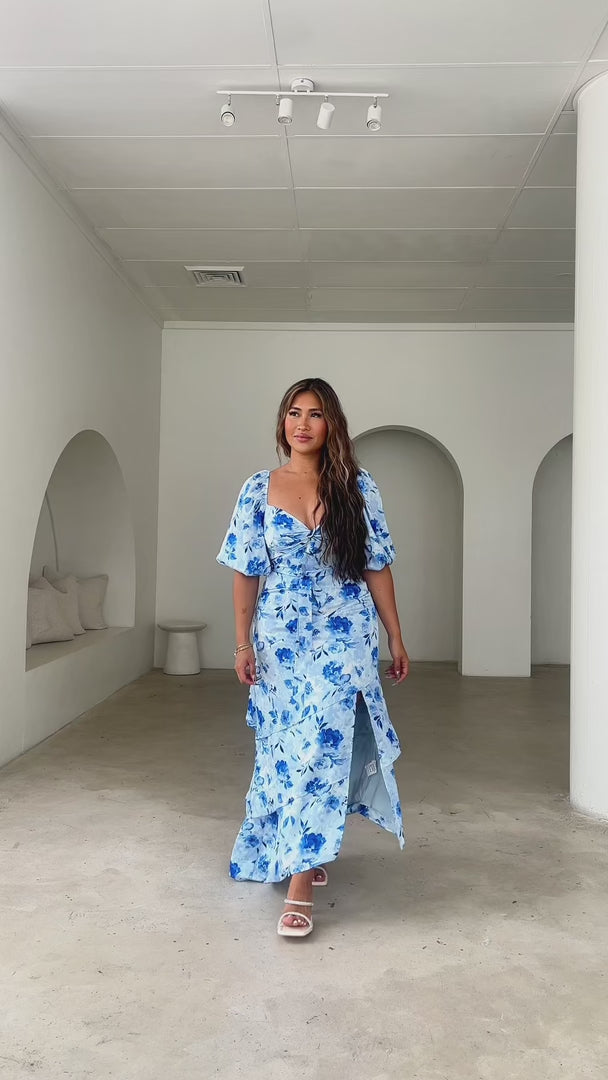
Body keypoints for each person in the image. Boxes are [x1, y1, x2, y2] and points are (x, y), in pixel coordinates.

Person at [216, 377, 409, 939]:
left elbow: (376, 564)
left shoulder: (356, 486)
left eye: (316, 414)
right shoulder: (258, 489)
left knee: (321, 746)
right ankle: (304, 844)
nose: (303, 424)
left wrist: (396, 636)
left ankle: (300, 882)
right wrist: (242, 643)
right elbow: (246, 571)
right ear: (283, 422)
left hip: (344, 636)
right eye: (294, 413)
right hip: (280, 642)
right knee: (285, 749)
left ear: (332, 425)